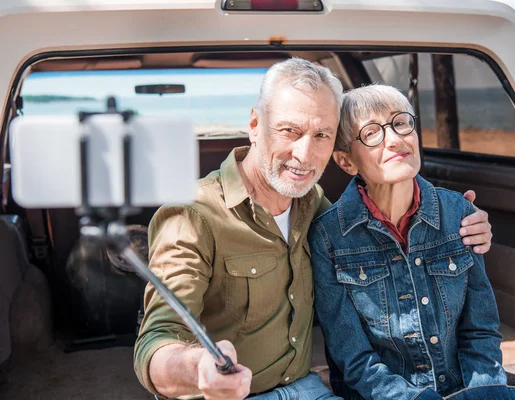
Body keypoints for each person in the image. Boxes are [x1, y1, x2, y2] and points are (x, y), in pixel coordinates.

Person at [133, 59, 494, 400]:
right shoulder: (191, 215)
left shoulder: (312, 203)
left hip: (306, 388)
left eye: (322, 134)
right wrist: (198, 367)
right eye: (290, 130)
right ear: (255, 125)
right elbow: (156, 342)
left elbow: (380, 220)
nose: (305, 155)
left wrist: (462, 219)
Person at [309, 84, 515, 400]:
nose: (396, 139)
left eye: (400, 123)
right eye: (372, 133)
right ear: (346, 162)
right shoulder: (328, 236)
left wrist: (486, 393)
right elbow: (354, 359)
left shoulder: (460, 214)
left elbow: (480, 331)